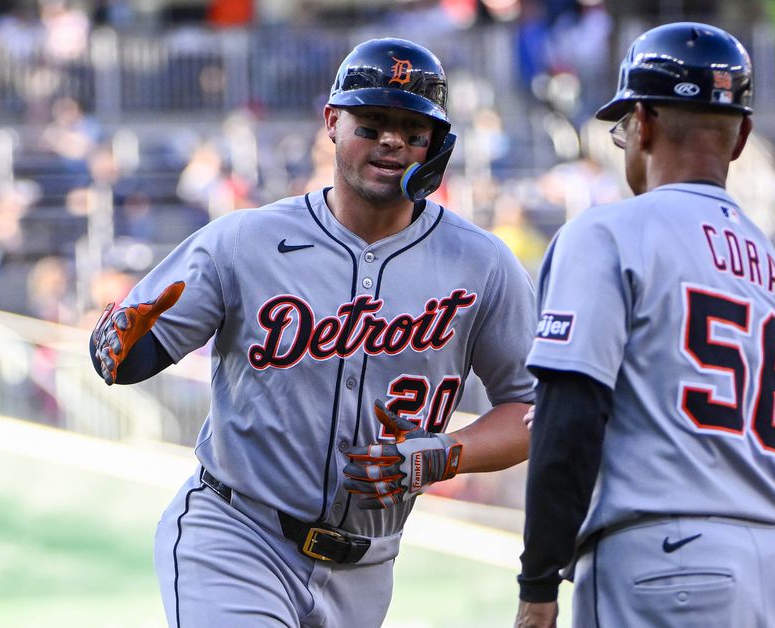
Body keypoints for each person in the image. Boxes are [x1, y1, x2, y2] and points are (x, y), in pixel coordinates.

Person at [88, 38, 536, 627]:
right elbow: (126, 357)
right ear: (332, 122)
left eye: (412, 127)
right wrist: (113, 344)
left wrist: (445, 454)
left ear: (436, 142)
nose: (392, 141)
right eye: (372, 122)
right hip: (238, 536)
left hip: (368, 565)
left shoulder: (483, 264)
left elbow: (533, 408)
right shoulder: (243, 241)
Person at [515, 23, 775, 627]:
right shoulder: (773, 267)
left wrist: (538, 582)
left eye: (623, 128)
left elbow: (570, 414)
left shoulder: (609, 232)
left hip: (663, 560)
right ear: (741, 137)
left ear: (642, 121)